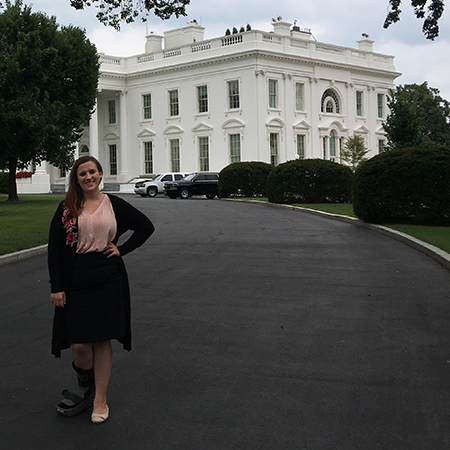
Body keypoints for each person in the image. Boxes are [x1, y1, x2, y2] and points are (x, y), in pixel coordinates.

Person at [48, 156, 155, 424]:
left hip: (108, 278)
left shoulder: (114, 204)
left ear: (100, 174)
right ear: (77, 178)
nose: (88, 177)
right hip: (76, 281)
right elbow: (55, 250)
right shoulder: (67, 209)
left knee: (103, 339)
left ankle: (100, 398)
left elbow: (145, 227)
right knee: (81, 346)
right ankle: (87, 388)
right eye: (82, 173)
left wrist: (122, 249)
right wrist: (56, 287)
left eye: (92, 172)